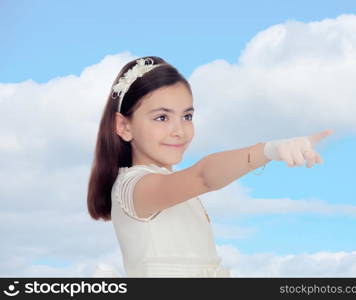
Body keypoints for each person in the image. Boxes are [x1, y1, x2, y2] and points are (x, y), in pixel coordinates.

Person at [87, 56, 333, 277]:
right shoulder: (135, 187)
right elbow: (204, 176)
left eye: (187, 116)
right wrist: (267, 151)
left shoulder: (174, 190)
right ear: (124, 127)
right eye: (161, 117)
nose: (179, 130)